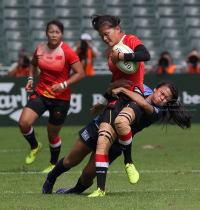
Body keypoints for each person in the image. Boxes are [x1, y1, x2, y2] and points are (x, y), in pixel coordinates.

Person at [42, 81, 192, 196]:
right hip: (98, 126)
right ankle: (50, 179)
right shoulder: (140, 86)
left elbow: (141, 102)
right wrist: (104, 100)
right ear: (155, 89)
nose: (162, 98)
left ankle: (72, 192)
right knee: (70, 161)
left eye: (166, 98)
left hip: (115, 144)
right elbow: (112, 88)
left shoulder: (157, 112)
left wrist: (123, 89)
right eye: (162, 93)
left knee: (87, 175)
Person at [89, 14, 150, 195]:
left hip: (134, 94)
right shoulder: (109, 52)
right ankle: (100, 190)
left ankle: (128, 162)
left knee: (121, 122)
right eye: (101, 36)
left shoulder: (129, 40)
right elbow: (115, 80)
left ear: (117, 29)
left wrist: (121, 55)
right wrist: (103, 100)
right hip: (116, 96)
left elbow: (145, 55)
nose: (104, 38)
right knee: (102, 140)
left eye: (107, 34)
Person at [18, 19, 85, 173]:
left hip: (61, 99)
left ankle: (54, 164)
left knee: (52, 133)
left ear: (62, 34)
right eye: (51, 32)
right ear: (46, 33)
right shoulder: (40, 49)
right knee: (23, 123)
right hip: (41, 94)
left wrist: (63, 85)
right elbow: (33, 64)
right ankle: (35, 146)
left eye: (57, 32)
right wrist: (30, 78)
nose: (54, 35)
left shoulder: (68, 51)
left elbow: (81, 73)